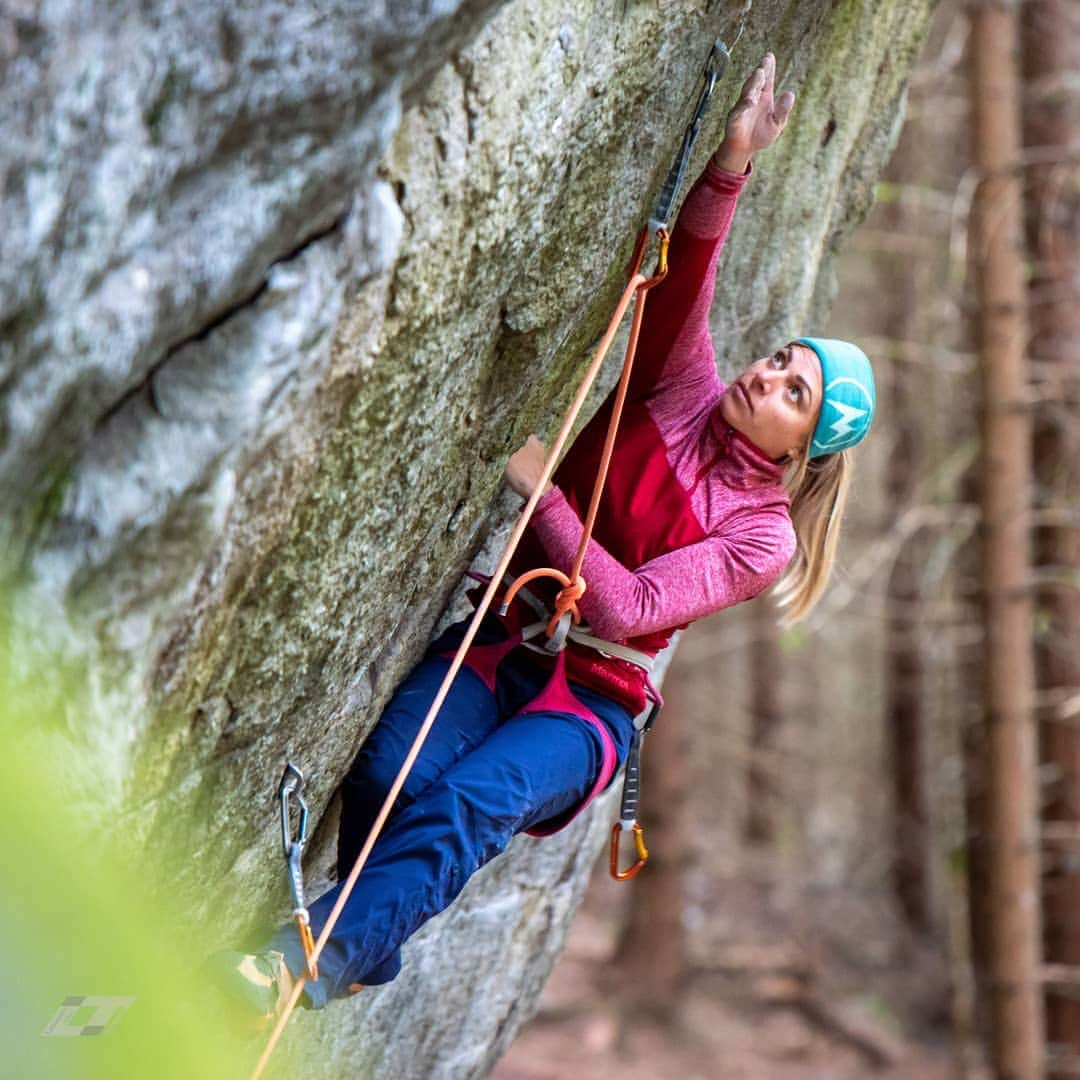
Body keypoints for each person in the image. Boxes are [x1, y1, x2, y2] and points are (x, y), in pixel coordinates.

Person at [208, 51, 875, 1025]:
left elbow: (633, 607)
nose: (767, 380)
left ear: (807, 447)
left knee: (470, 805)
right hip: (504, 632)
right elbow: (686, 275)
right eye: (780, 360)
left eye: (794, 394)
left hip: (593, 701)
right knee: (394, 773)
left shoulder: (760, 534)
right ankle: (364, 944)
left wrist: (536, 486)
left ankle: (291, 965)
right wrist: (732, 165)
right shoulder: (680, 388)